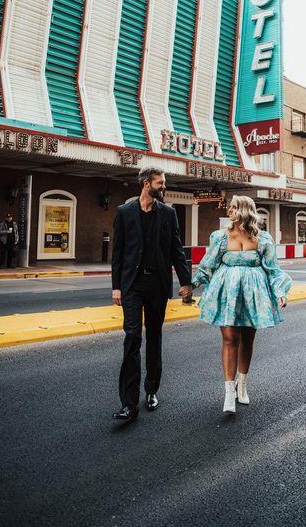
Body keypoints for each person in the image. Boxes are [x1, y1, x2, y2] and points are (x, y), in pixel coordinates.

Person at [192, 195, 291, 414]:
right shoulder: (220, 237)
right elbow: (207, 264)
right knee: (229, 338)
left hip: (253, 294)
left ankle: (242, 385)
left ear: (245, 211)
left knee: (247, 339)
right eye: (229, 207)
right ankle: (228, 392)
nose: (229, 210)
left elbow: (273, 270)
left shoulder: (263, 239)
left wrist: (280, 291)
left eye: (234, 207)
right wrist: (193, 283)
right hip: (227, 292)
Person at [111, 166, 192, 422]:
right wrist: (116, 286)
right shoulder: (124, 213)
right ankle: (128, 403)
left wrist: (186, 282)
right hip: (132, 285)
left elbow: (177, 250)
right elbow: (118, 253)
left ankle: (151, 390)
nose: (163, 186)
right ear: (146, 184)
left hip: (157, 285)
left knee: (154, 338)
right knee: (132, 337)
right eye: (160, 183)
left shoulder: (168, 214)